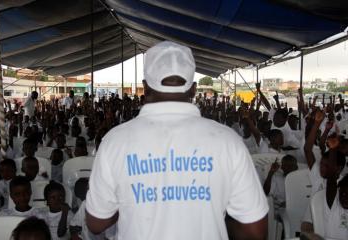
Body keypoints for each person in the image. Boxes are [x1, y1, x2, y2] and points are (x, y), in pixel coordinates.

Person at [86, 41, 268, 240]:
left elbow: (96, 223)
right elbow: (255, 232)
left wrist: (130, 202)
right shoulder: (228, 141)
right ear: (193, 89)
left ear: (145, 88)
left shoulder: (114, 141)